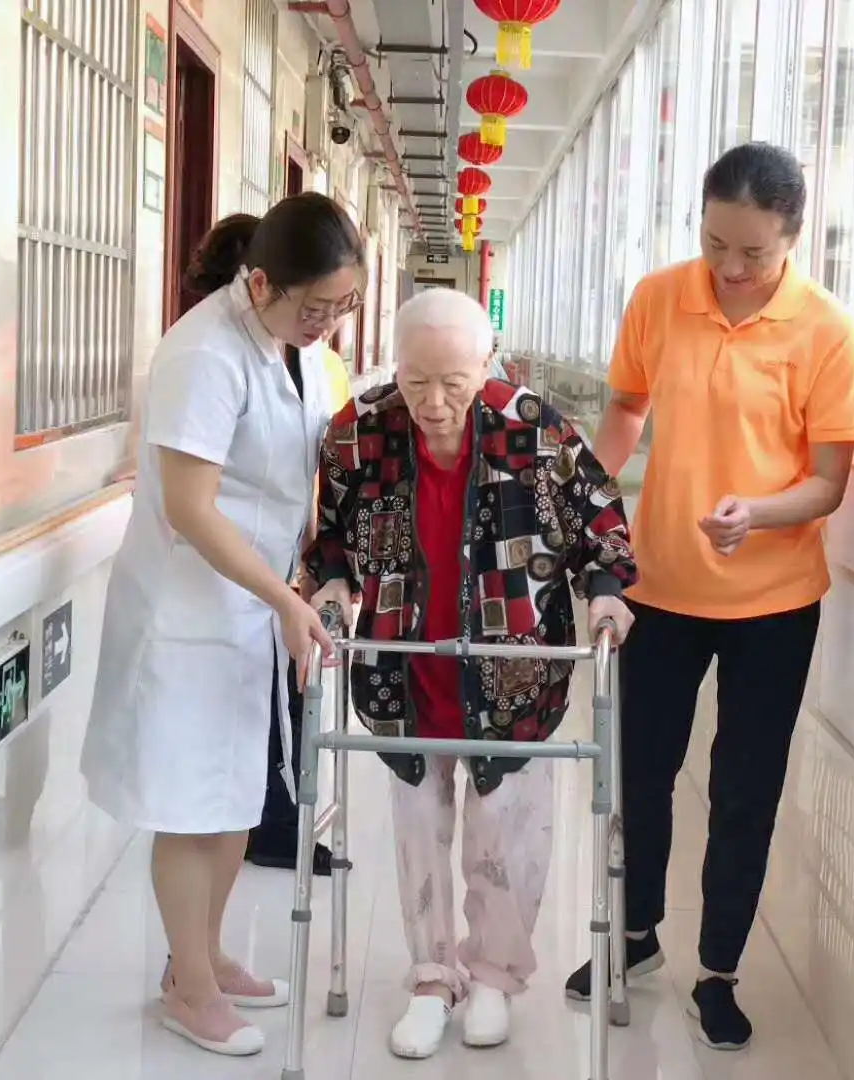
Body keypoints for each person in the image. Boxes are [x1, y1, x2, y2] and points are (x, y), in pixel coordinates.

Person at [564, 143, 854, 1052]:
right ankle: (636, 932)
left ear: (793, 239)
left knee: (745, 788)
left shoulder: (827, 332)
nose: (731, 269)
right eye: (715, 245)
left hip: (774, 601)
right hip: (659, 584)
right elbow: (626, 411)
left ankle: (720, 970)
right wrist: (579, 502)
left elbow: (829, 482)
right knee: (640, 773)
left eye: (754, 254)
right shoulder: (661, 298)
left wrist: (758, 514)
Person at [306, 289, 637, 1060]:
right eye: (415, 380)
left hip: (515, 676)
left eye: (453, 382)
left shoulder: (538, 432)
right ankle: (431, 979)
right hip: (404, 674)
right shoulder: (357, 433)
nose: (432, 402)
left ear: (488, 365)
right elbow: (328, 540)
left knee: (509, 836)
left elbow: (601, 529)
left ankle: (493, 976)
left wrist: (606, 596)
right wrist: (330, 587)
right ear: (394, 365)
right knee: (418, 834)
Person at [80, 195, 365, 1057]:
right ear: (263, 281)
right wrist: (283, 597)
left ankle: (205, 957)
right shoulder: (204, 352)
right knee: (189, 805)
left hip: (251, 605)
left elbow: (290, 477)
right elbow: (192, 508)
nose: (325, 323)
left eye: (343, 306)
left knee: (238, 795)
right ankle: (188, 987)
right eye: (314, 306)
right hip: (188, 611)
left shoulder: (292, 349)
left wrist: (303, 578)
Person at [244, 341, 354, 877]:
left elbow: (324, 476)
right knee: (264, 703)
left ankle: (278, 819)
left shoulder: (325, 368)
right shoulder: (232, 359)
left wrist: (319, 567)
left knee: (290, 698)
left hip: (298, 562)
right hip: (250, 567)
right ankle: (268, 824)